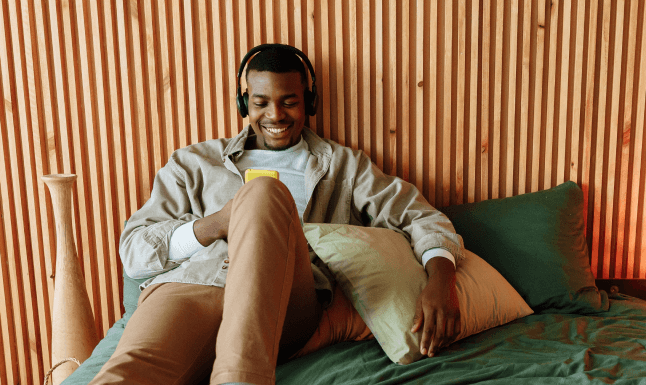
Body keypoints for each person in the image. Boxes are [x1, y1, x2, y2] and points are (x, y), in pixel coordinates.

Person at [91, 44, 464, 385]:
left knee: (263, 192)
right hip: (194, 287)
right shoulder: (193, 163)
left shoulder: (344, 167)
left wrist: (440, 280)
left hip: (287, 301)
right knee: (126, 373)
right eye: (261, 102)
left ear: (309, 102)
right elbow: (135, 253)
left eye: (289, 102)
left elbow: (421, 217)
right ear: (244, 104)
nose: (275, 115)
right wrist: (218, 223)